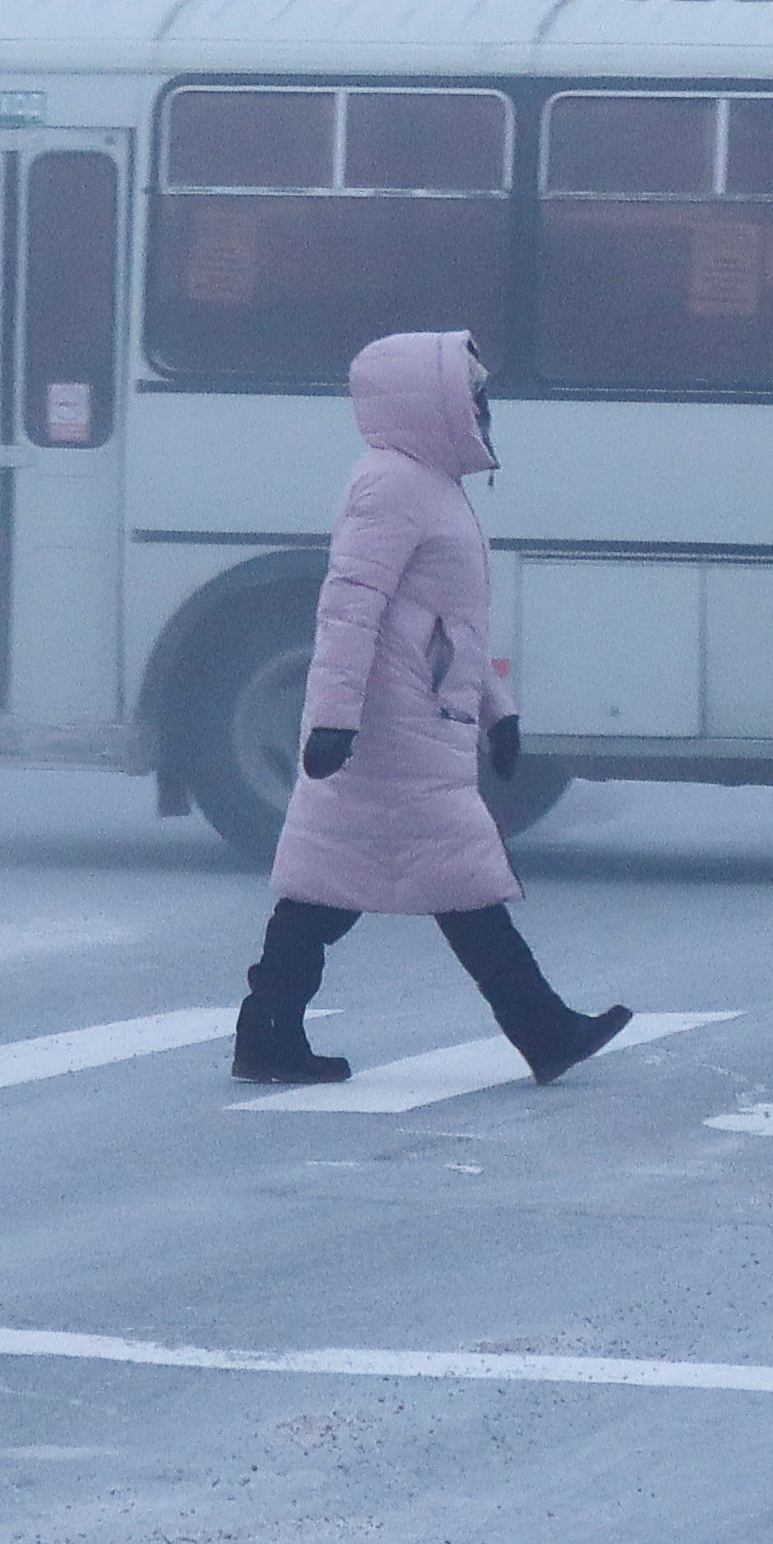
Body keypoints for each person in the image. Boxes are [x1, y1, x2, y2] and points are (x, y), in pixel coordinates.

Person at [231, 328, 633, 1089]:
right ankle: (542, 1029)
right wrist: (331, 720)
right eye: (469, 390)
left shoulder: (425, 484)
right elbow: (349, 607)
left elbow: (445, 624)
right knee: (455, 880)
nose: (482, 404)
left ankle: (267, 1032)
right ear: (428, 398)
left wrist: (497, 711)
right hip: (391, 727)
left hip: (413, 719)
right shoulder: (390, 485)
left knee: (335, 885)